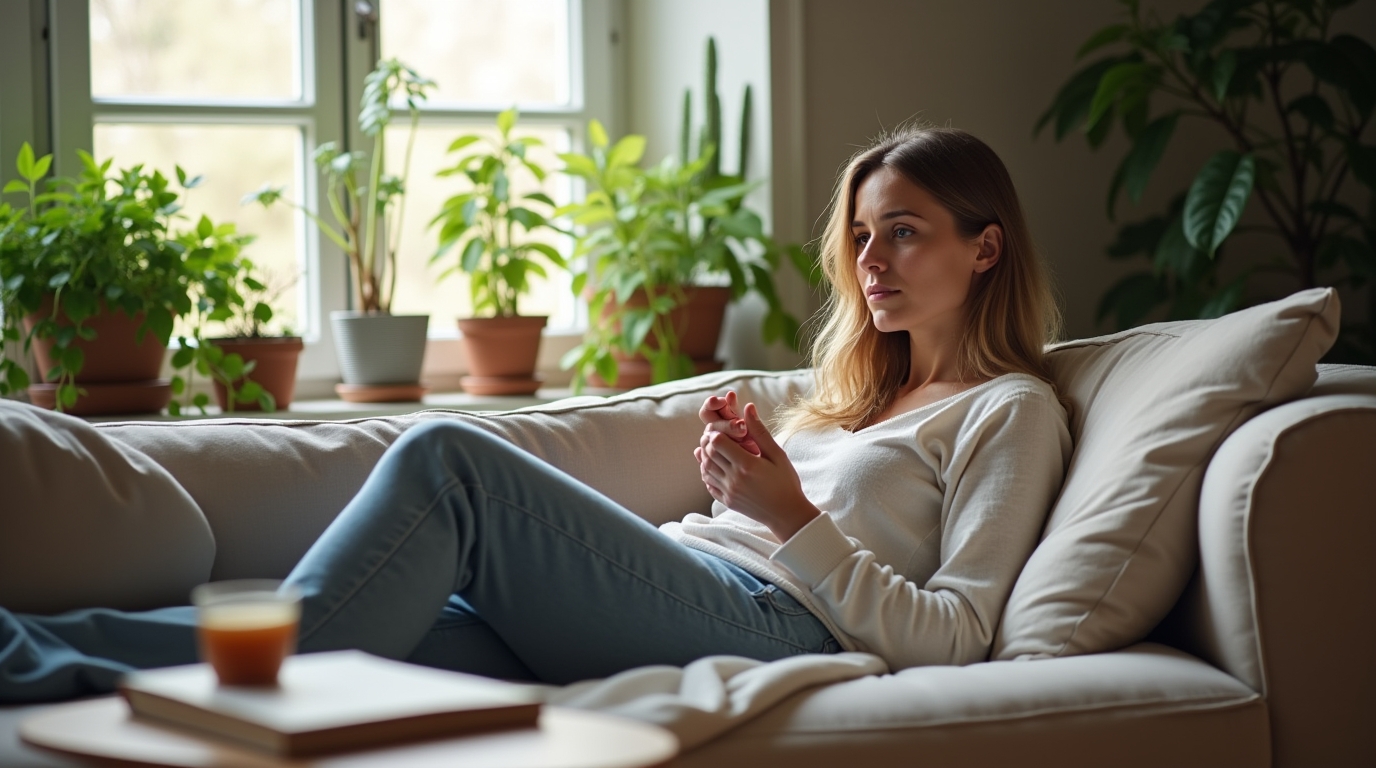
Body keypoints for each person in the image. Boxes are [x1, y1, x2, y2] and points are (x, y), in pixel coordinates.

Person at [0, 125, 1071, 702]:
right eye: (862, 237)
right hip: (682, 580)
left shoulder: (1008, 412)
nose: (870, 261)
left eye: (905, 232)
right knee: (403, 641)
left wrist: (790, 515)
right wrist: (745, 482)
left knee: (447, 463)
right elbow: (778, 517)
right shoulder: (851, 398)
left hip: (771, 622)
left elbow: (956, 639)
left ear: (985, 246)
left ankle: (224, 699)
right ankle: (25, 651)